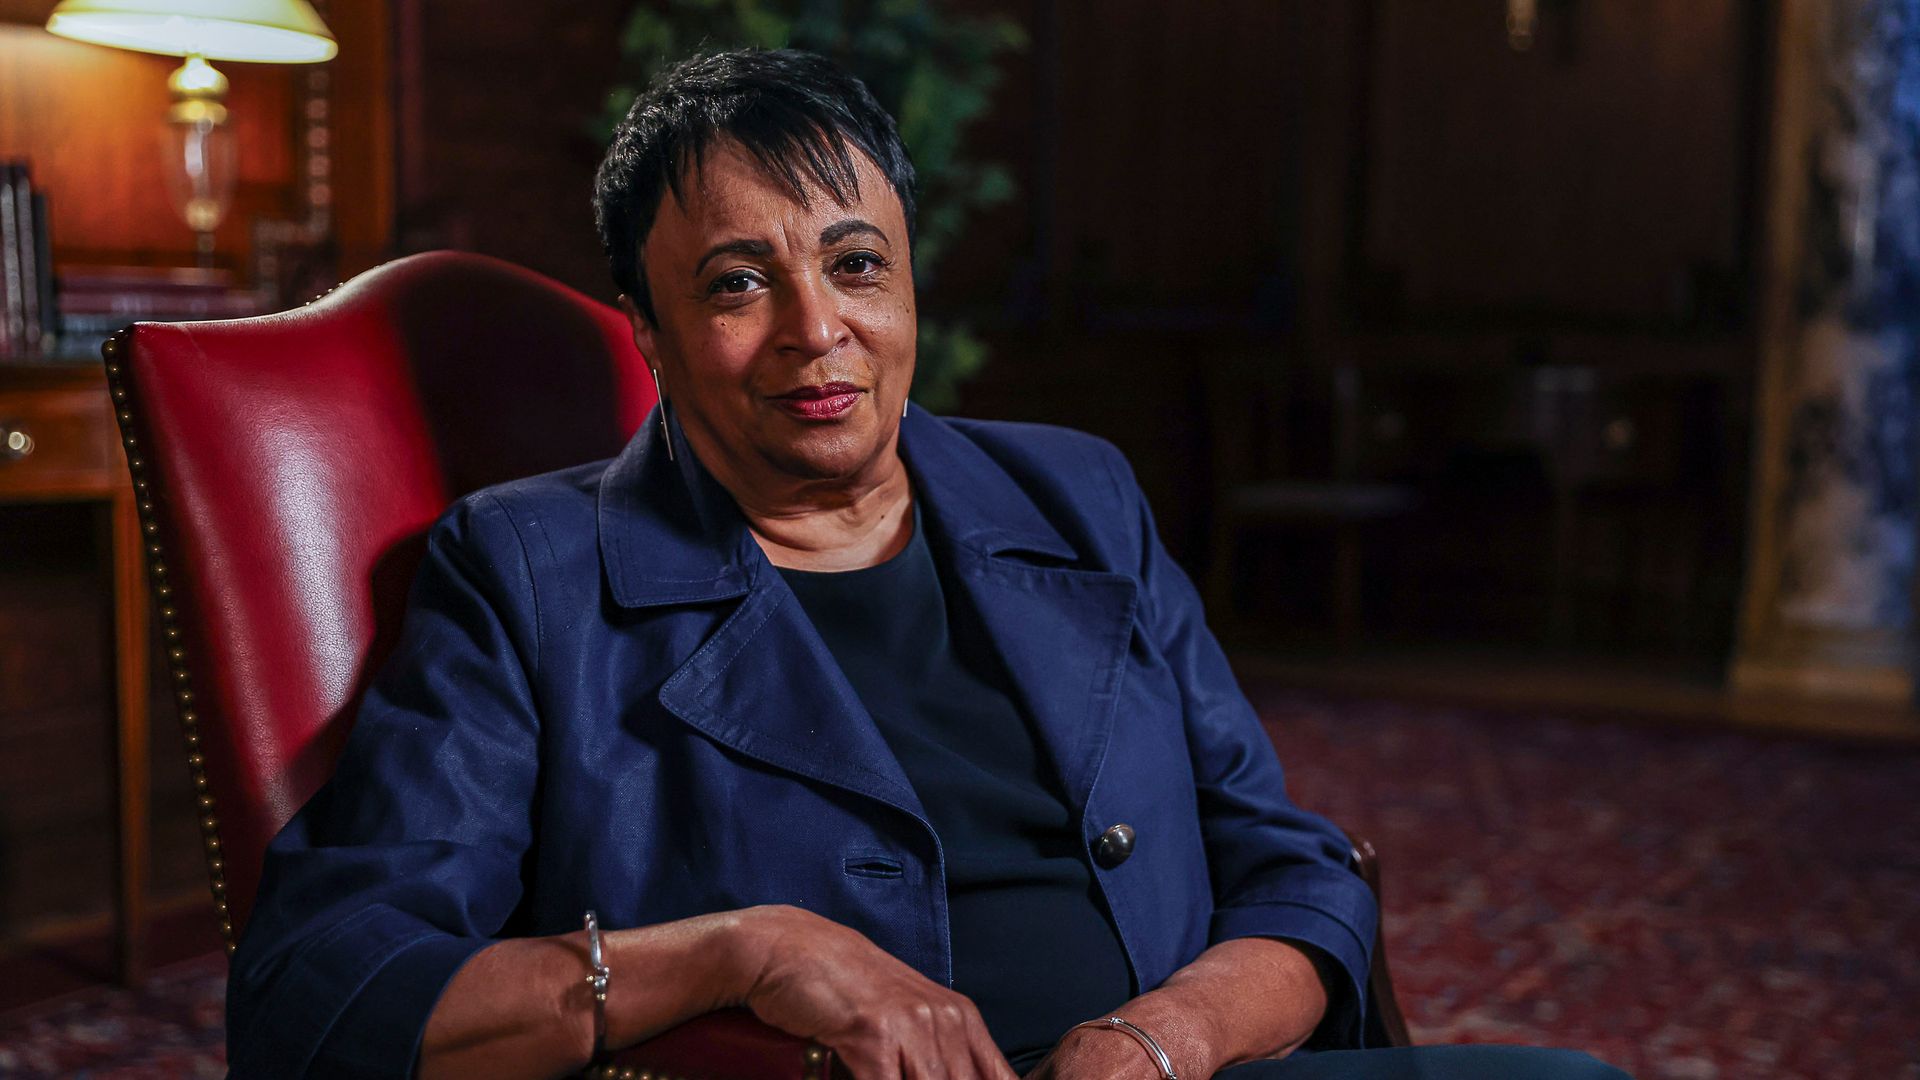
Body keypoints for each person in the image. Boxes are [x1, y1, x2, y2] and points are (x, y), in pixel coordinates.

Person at [226, 49, 1629, 1080]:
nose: (812, 328)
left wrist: (1167, 1036)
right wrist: (747, 949)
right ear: (645, 332)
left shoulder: (1074, 491)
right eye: (734, 282)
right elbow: (324, 992)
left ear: (910, 288)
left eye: (854, 264)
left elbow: (1293, 864)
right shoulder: (529, 574)